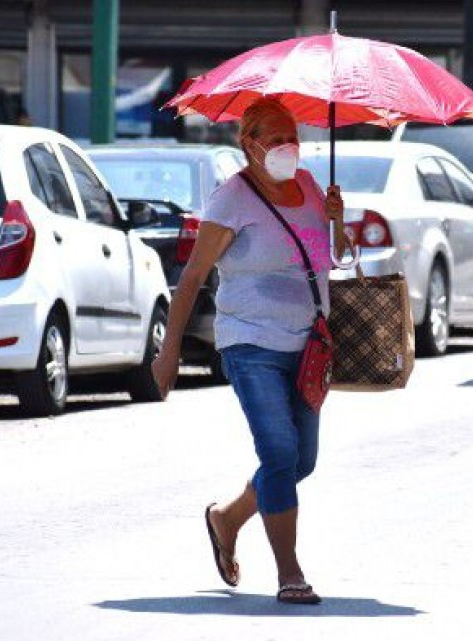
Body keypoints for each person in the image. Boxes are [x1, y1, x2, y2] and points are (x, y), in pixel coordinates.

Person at [151, 97, 344, 605]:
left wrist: (337, 221)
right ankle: (290, 572)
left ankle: (227, 517)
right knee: (279, 453)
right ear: (250, 143)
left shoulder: (307, 187)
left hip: (307, 347)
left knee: (300, 461)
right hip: (249, 342)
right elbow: (192, 277)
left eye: (293, 137)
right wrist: (169, 350)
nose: (288, 147)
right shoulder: (230, 199)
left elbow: (333, 261)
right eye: (276, 138)